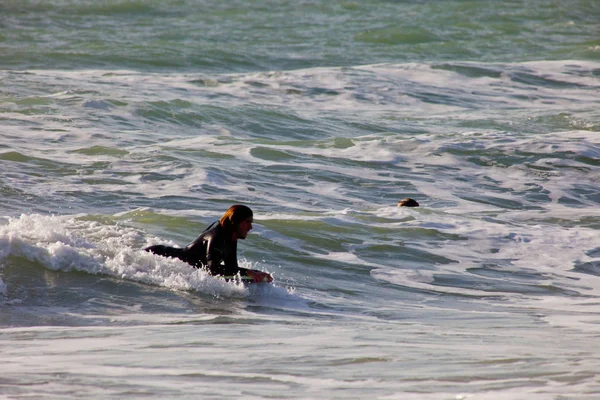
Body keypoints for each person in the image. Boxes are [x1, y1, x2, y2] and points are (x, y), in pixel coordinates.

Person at [145, 205, 273, 283]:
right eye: (247, 222)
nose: (250, 227)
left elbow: (231, 267)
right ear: (235, 221)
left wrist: (257, 274)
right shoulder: (216, 236)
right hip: (159, 255)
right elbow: (213, 269)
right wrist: (248, 273)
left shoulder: (231, 237)